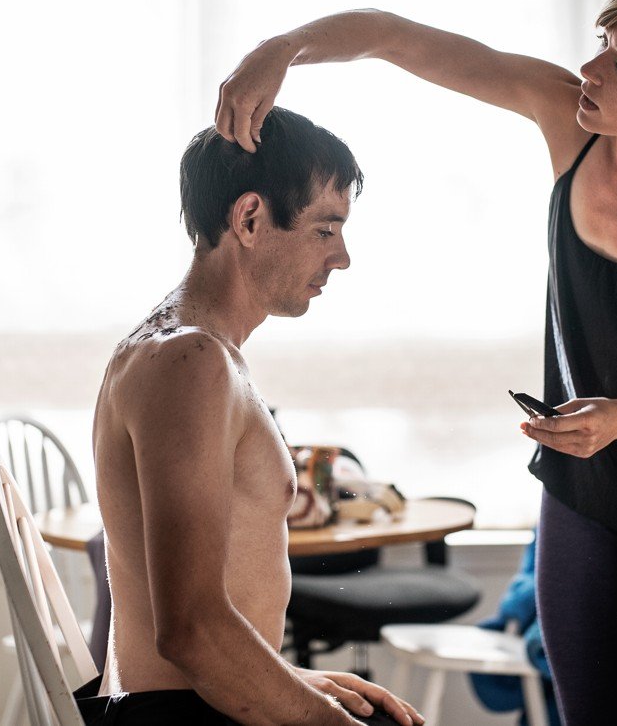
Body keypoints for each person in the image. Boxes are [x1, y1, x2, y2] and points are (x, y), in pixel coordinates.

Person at [215, 0, 617, 726]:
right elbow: (397, 37)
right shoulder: (569, 120)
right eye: (601, 44)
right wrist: (284, 48)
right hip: (580, 496)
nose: (589, 70)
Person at [85, 107, 424, 726]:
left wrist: (293, 680)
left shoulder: (190, 351)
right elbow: (188, 632)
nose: (342, 257)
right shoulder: (188, 363)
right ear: (249, 219)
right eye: (326, 229)